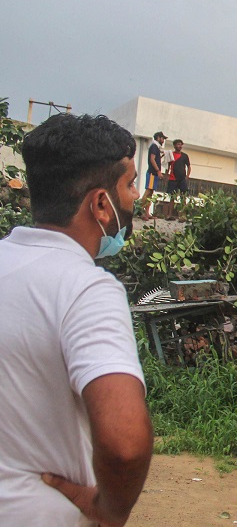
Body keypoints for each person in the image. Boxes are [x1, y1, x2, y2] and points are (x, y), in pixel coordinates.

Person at [0, 113, 153, 525]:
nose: (135, 197)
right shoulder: (85, 288)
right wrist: (110, 510)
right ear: (101, 203)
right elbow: (125, 443)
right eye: (130, 183)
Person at [140, 131, 166, 220]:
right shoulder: (154, 146)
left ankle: (147, 212)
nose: (163, 141)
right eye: (162, 138)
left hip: (154, 173)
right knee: (148, 191)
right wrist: (158, 171)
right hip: (152, 172)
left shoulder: (156, 148)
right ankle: (140, 210)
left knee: (151, 193)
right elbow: (152, 159)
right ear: (158, 138)